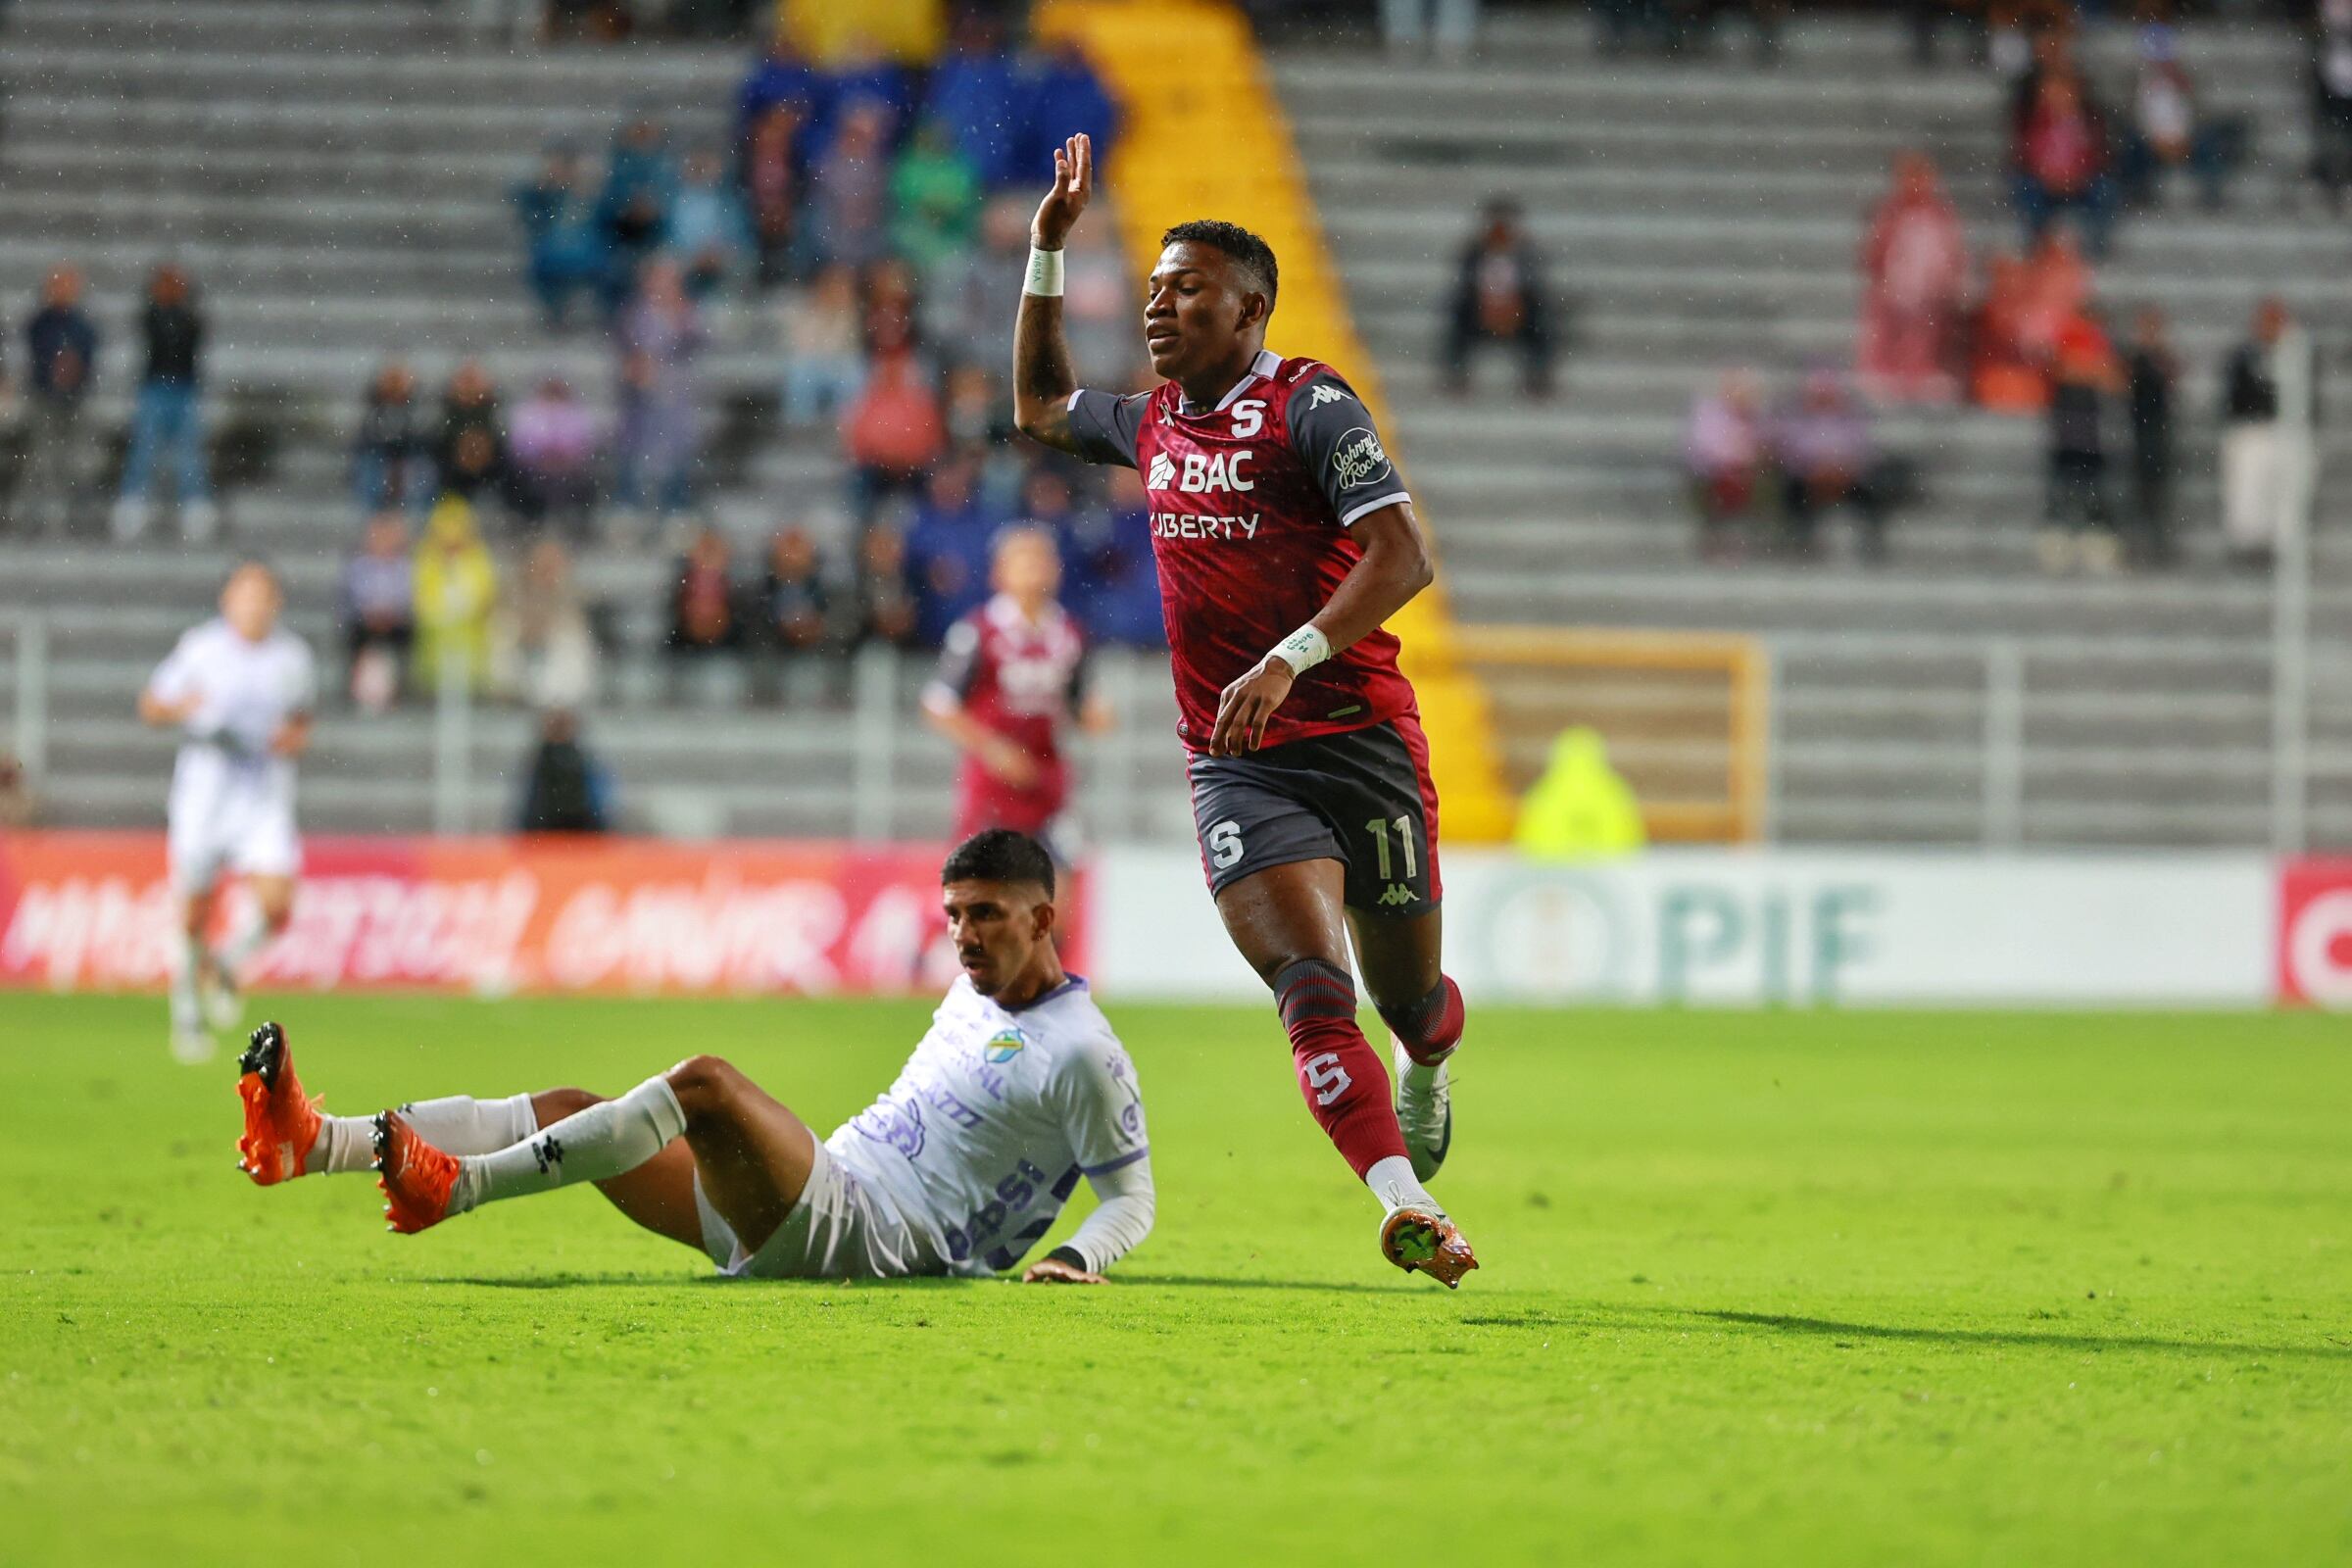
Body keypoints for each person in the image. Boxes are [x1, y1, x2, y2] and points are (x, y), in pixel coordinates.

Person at [1012, 134, 1475, 1287]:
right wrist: (1046, 253)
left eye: (1189, 291)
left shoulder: (1312, 406)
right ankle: (1403, 1201)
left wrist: (1292, 654)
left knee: (1407, 998)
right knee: (1310, 989)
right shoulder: (1154, 421)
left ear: (1252, 308)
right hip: (1239, 762)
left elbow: (1404, 555)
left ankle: (1427, 1057)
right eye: (1158, 289)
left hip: (1360, 740)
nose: (1162, 307)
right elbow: (1036, 404)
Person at [236, 830, 1155, 1287]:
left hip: (881, 1242)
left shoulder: (1082, 1051)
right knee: (565, 1104)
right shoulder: (973, 985)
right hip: (816, 1194)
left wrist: (1075, 1257)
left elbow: (1130, 1194)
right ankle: (313, 1143)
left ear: (1044, 918)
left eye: (985, 915)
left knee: (706, 1084)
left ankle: (458, 1186)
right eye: (953, 913)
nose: (962, 935)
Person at [137, 561, 315, 1063]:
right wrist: (182, 708)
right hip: (204, 797)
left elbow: (302, 720)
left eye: (263, 595)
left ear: (275, 603)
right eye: (245, 594)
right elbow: (151, 706)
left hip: (261, 796)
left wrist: (291, 739)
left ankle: (224, 962)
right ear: (228, 601)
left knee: (277, 905)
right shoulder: (201, 648)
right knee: (195, 910)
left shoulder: (293, 657)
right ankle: (187, 1011)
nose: (254, 605)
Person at [922, 525, 1110, 851]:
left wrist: (1094, 715)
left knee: (1059, 877)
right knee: (988, 883)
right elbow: (939, 705)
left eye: (1041, 559)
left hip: (1046, 776)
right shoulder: (978, 631)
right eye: (1023, 560)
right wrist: (993, 749)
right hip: (992, 782)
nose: (1034, 568)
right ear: (1000, 573)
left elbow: (1078, 702)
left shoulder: (1069, 633)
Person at [113, 265, 218, 542]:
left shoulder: (188, 318)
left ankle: (194, 506)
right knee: (144, 451)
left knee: (189, 454)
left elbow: (192, 340)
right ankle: (133, 504)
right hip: (156, 387)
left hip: (182, 388)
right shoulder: (153, 316)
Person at [1857, 153, 1968, 404]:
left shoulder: (1940, 214)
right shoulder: (1890, 212)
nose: (1917, 186)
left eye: (1922, 179)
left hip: (1929, 286)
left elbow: (1953, 251)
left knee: (1927, 332)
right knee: (1893, 329)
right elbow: (1874, 250)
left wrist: (1946, 280)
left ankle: (1922, 375)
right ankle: (1887, 374)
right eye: (1911, 179)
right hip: (1897, 283)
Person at [2219, 297, 2317, 567]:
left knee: (2294, 479)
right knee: (2248, 472)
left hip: (2287, 430)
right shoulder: (2244, 355)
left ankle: (2286, 540)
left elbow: (2307, 396)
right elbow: (2237, 397)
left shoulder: (2296, 353)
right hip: (2253, 429)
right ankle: (2250, 543)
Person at [1443, 199, 1553, 399]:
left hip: (1518, 316)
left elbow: (1534, 289)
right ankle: (1456, 377)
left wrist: (1512, 309)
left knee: (1541, 322)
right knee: (1459, 318)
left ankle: (1538, 378)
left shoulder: (1526, 254)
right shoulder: (1473, 253)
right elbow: (1465, 287)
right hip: (1481, 314)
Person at [19, 265, 101, 534]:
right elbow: (39, 353)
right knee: (41, 458)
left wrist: (72, 369)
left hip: (74, 399)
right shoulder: (40, 322)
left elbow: (86, 357)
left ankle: (78, 516)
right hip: (45, 397)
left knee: (77, 460)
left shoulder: (82, 325)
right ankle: (36, 515)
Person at [2039, 315, 2124, 575]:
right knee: (2061, 496)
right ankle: (2057, 548)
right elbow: (2063, 370)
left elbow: (2114, 380)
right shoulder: (2071, 337)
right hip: (2068, 435)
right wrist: (2090, 369)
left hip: (2091, 437)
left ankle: (2094, 546)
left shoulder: (2098, 344)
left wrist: (2087, 369)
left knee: (2094, 496)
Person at [1772, 369, 1886, 562]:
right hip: (1809, 479)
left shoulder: (1850, 421)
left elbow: (1863, 453)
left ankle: (1871, 549)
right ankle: (1801, 544)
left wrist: (1838, 471)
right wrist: (1817, 470)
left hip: (1843, 479)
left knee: (1872, 494)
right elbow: (1789, 454)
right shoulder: (1797, 420)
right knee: (1793, 494)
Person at [2011, 70, 2115, 258]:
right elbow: (2028, 156)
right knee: (2026, 189)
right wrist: (2051, 177)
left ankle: (2097, 246)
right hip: (2045, 183)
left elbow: (2096, 155)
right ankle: (2037, 246)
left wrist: (2077, 177)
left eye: (2063, 91)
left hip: (2080, 183)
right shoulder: (2034, 122)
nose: (2057, 96)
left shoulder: (2087, 120)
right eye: (2050, 91)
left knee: (2105, 189)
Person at [490, 535, 598, 710]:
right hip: (521, 671)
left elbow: (571, 629)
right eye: (542, 566)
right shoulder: (511, 594)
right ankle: (511, 698)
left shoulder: (571, 596)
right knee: (504, 629)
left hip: (557, 679)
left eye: (553, 565)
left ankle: (559, 706)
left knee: (569, 639)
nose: (548, 572)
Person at [512, 148, 609, 329]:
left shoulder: (587, 198)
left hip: (583, 252)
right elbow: (526, 210)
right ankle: (555, 311)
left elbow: (602, 223)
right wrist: (545, 190)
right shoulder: (544, 195)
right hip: (553, 253)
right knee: (544, 266)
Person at [413, 496, 498, 694]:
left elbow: (486, 594)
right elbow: (421, 597)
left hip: (472, 628)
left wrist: (466, 609)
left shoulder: (478, 557)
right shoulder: (427, 558)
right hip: (435, 629)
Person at [1684, 369, 1767, 562]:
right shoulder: (1709, 415)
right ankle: (1715, 539)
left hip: (1748, 477)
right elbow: (1703, 451)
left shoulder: (1759, 419)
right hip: (1714, 476)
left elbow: (1764, 450)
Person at [506, 375, 602, 537]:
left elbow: (585, 446)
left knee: (586, 483)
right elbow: (519, 445)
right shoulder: (526, 412)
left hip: (569, 471)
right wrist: (540, 457)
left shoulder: (576, 413)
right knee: (520, 483)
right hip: (533, 470)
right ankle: (529, 526)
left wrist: (565, 458)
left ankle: (578, 528)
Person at [341, 511, 416, 712]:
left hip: (394, 623)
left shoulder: (404, 567)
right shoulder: (360, 565)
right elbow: (356, 597)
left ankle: (398, 689)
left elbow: (406, 598)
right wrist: (374, 614)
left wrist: (388, 615)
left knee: (407, 634)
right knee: (355, 633)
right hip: (366, 623)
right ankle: (357, 687)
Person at [2124, 305, 2179, 566]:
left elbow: (2171, 380)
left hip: (2157, 428)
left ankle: (2157, 544)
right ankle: (2139, 544)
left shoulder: (2160, 357)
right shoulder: (2135, 358)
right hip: (2138, 430)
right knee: (2140, 491)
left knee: (2156, 490)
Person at [350, 361, 432, 515]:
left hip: (409, 461)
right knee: (369, 467)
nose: (396, 385)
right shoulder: (372, 409)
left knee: (420, 469)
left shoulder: (418, 409)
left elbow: (424, 440)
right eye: (391, 380)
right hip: (380, 461)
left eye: (400, 379)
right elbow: (365, 440)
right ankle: (374, 514)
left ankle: (413, 514)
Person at [514, 707, 611, 833]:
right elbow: (529, 807)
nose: (559, 730)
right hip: (547, 833)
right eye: (556, 724)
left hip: (577, 832)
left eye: (562, 725)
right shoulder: (540, 761)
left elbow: (597, 807)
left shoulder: (581, 761)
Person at [2312, 0, 2352, 215]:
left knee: (2342, 141)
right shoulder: (2326, 42)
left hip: (2341, 92)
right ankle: (2326, 182)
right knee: (2331, 140)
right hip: (2332, 93)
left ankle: (2342, 184)